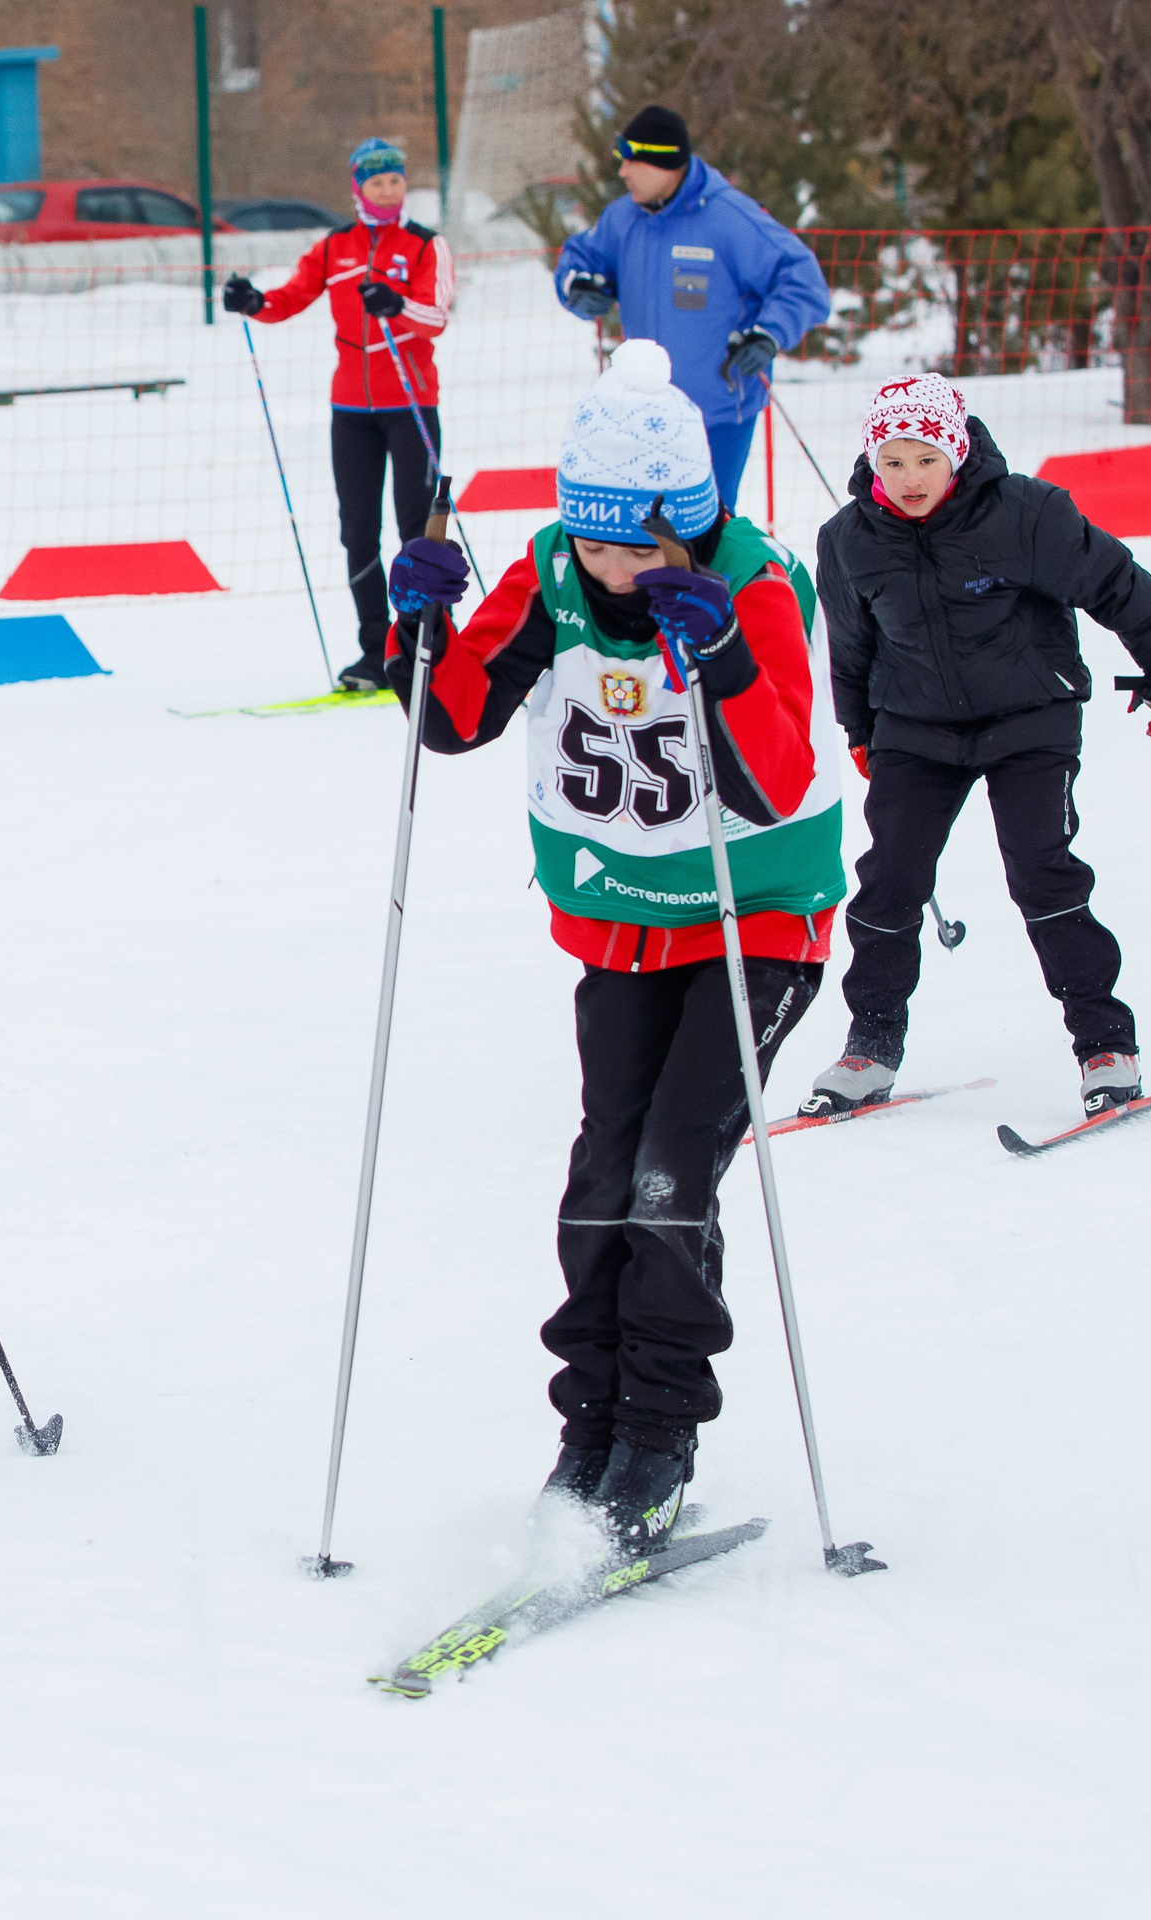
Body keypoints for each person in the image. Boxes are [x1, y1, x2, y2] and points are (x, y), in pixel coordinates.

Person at [384, 339, 844, 1543]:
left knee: (668, 1175)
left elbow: (773, 778)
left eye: (640, 544)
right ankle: (588, 1418)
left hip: (757, 926)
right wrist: (415, 624)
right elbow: (454, 715)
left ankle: (658, 1431)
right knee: (600, 1182)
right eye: (594, 540)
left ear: (689, 523)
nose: (615, 568)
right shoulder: (551, 577)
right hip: (620, 928)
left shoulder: (751, 585)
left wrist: (722, 659)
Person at [802, 373, 1151, 1119]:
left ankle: (1104, 1043)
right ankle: (871, 1045)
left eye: (924, 459)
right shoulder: (849, 540)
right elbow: (850, 650)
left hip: (1029, 717)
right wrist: (861, 732)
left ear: (954, 450)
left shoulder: (1026, 512)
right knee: (889, 883)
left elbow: (1116, 582)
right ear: (871, 463)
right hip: (915, 729)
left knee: (1042, 872)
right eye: (892, 461)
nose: (909, 478)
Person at [220, 136, 456, 691]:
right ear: (358, 188)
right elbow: (290, 298)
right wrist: (252, 302)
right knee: (357, 532)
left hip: (410, 403)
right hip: (351, 408)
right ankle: (375, 652)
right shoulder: (336, 245)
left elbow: (435, 315)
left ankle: (427, 644)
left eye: (396, 180)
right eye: (377, 182)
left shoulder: (425, 245)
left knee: (418, 531)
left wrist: (397, 306)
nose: (388, 190)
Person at [552, 106, 830, 512]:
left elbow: (802, 278)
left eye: (632, 160)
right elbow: (578, 259)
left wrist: (768, 335)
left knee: (707, 529)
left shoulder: (728, 217)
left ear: (663, 162)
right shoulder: (623, 218)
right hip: (644, 410)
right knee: (644, 533)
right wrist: (576, 286)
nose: (622, 172)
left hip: (717, 411)